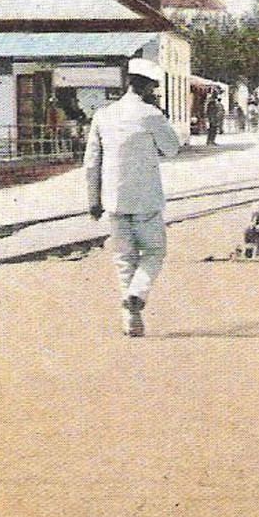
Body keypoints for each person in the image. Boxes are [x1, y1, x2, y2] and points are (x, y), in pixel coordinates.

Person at [84, 58, 183, 337]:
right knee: (154, 252)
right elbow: (172, 148)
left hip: (113, 201)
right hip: (146, 201)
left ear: (128, 83)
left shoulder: (103, 115)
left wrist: (93, 199)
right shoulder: (151, 115)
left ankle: (130, 321)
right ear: (150, 87)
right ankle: (137, 294)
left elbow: (91, 162)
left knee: (123, 259)